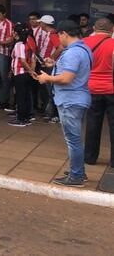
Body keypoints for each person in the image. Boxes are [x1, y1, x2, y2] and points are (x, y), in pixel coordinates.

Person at [36, 20, 92, 187]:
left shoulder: (72, 53)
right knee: (75, 139)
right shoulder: (84, 49)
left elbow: (67, 78)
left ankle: (76, 177)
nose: (58, 40)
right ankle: (78, 171)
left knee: (73, 140)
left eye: (58, 36)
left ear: (64, 34)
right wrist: (54, 65)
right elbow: (72, 71)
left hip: (70, 101)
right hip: (78, 98)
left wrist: (47, 78)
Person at [82, 18, 114, 168]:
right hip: (111, 89)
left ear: (94, 28)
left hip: (91, 88)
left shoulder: (84, 42)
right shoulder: (113, 44)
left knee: (93, 123)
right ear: (112, 29)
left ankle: (90, 157)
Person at [8, 25, 35, 127]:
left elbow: (22, 61)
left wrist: (29, 71)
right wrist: (31, 71)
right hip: (26, 73)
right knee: (26, 96)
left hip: (20, 72)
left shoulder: (19, 44)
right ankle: (26, 117)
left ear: (16, 33)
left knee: (20, 96)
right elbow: (33, 59)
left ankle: (21, 119)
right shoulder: (29, 43)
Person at [38, 15, 62, 122]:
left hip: (50, 66)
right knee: (48, 90)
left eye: (41, 23)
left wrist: (51, 59)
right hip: (47, 64)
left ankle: (55, 115)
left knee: (50, 90)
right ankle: (51, 113)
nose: (40, 25)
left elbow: (60, 47)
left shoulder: (52, 34)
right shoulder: (50, 33)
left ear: (44, 24)